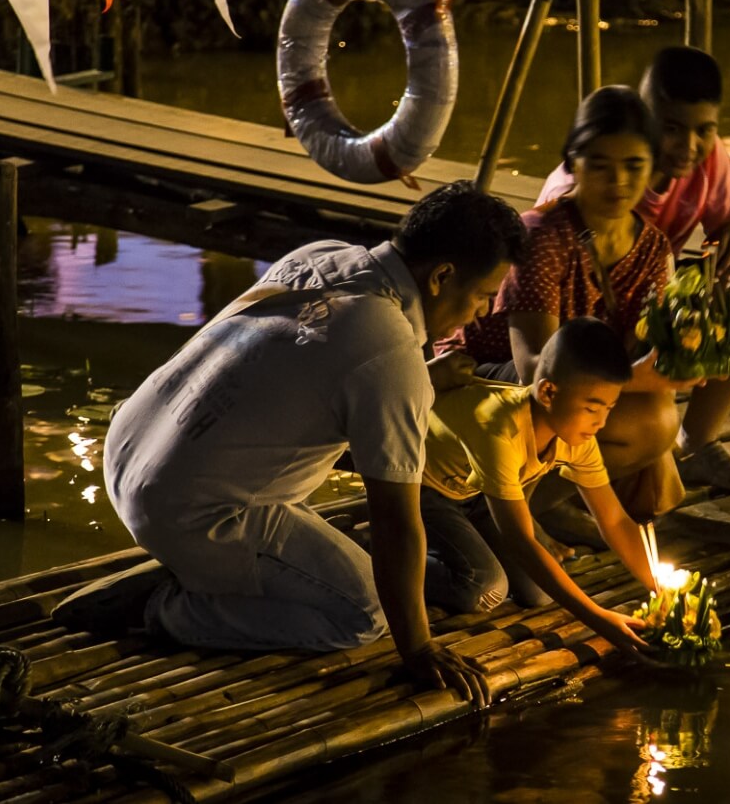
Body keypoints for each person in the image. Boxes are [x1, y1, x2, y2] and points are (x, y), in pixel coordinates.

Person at [53, 182, 529, 708]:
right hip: (192, 509)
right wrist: (417, 649)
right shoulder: (390, 354)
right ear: (441, 277)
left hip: (128, 450)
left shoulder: (323, 256)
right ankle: (165, 606)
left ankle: (197, 563)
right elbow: (396, 520)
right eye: (484, 295)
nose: (482, 313)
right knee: (360, 614)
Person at [438, 85, 697, 527]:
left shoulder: (652, 246)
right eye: (600, 165)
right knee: (647, 419)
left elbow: (641, 349)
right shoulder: (544, 234)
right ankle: (497, 518)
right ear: (572, 164)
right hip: (483, 374)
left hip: (574, 383)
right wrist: (639, 379)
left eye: (634, 166)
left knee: (655, 427)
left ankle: (541, 507)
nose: (618, 183)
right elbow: (534, 370)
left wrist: (686, 354)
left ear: (653, 168)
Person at [537, 47, 730, 493]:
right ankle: (555, 483)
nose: (689, 147)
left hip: (644, 301)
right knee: (652, 435)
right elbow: (538, 360)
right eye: (671, 129)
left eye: (703, 132)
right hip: (579, 329)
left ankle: (697, 444)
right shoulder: (569, 206)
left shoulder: (694, 171)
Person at [420, 317, 656, 658]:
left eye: (609, 408)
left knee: (538, 593)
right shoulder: (498, 428)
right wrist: (598, 618)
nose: (601, 422)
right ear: (548, 391)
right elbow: (521, 540)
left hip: (474, 496)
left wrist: (661, 590)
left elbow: (615, 520)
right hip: (422, 488)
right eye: (592, 408)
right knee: (484, 588)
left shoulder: (578, 435)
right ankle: (383, 550)